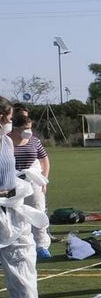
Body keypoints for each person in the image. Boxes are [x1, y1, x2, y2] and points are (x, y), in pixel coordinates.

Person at [0, 96, 43, 298]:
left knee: (22, 264)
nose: (10, 122)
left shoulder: (6, 142)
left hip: (12, 209)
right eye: (8, 118)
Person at [9, 107, 51, 259]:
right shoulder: (6, 141)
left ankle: (41, 245)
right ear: (16, 128)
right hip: (12, 182)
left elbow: (44, 159)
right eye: (25, 128)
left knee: (38, 210)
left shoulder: (34, 141)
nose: (28, 131)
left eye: (30, 128)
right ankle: (13, 244)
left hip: (32, 181)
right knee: (13, 215)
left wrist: (44, 179)